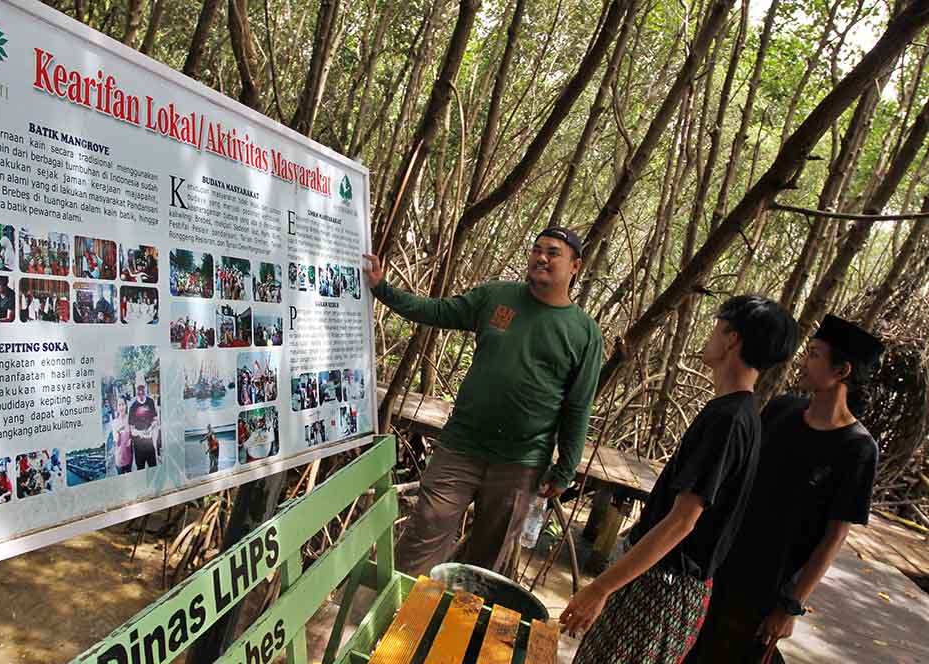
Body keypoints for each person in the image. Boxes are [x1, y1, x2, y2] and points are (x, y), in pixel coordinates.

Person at [560, 295, 799, 664]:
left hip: (663, 589)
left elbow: (682, 522)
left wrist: (601, 588)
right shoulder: (737, 413)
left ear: (732, 338)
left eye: (716, 326)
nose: (710, 334)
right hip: (659, 583)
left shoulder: (730, 420)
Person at [362, 227, 603, 577]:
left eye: (553, 252)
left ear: (576, 266)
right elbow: (438, 312)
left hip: (520, 463)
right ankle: (397, 619)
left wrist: (566, 469)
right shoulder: (498, 297)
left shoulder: (584, 333)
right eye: (536, 249)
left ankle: (455, 626)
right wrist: (382, 289)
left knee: (487, 559)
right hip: (461, 446)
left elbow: (578, 407)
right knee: (425, 531)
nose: (541, 258)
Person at [685, 315, 883, 664]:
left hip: (767, 589)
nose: (804, 362)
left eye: (815, 355)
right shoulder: (782, 410)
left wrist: (791, 605)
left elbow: (834, 536)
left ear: (842, 371)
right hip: (721, 563)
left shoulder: (857, 449)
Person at [128, 373, 160, 469]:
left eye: (142, 388)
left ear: (145, 388)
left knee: (153, 468)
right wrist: (140, 433)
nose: (141, 392)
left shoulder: (150, 402)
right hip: (138, 446)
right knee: (140, 470)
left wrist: (150, 428)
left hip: (150, 444)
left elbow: (155, 420)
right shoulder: (133, 406)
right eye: (139, 389)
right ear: (136, 389)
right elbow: (132, 429)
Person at [112, 396, 133, 474]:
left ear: (126, 405)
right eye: (119, 405)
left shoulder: (130, 419)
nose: (121, 407)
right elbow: (116, 442)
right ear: (116, 407)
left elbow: (133, 434)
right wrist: (118, 432)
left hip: (129, 456)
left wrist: (131, 440)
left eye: (123, 404)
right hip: (119, 459)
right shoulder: (114, 422)